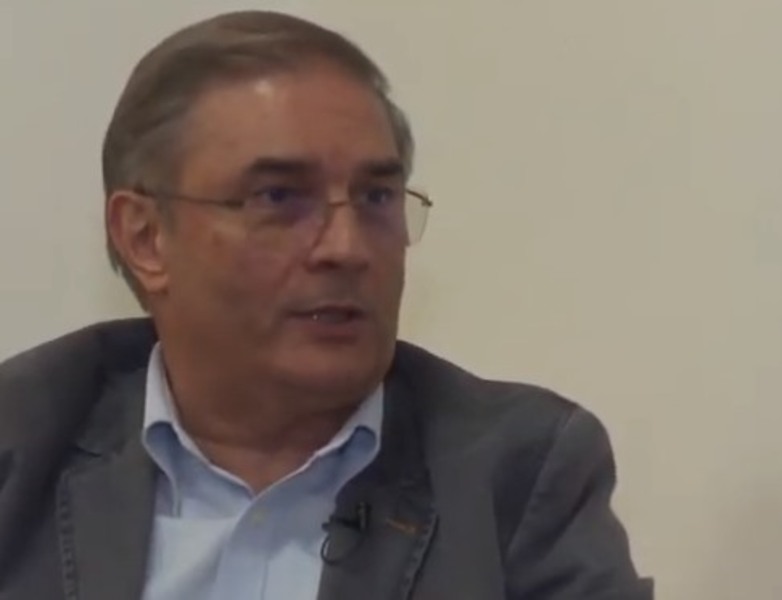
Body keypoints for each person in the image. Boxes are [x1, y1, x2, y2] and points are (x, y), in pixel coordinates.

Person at [0, 10, 652, 600]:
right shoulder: (22, 441)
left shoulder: (514, 476)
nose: (347, 248)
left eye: (376, 198)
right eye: (279, 198)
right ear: (146, 238)